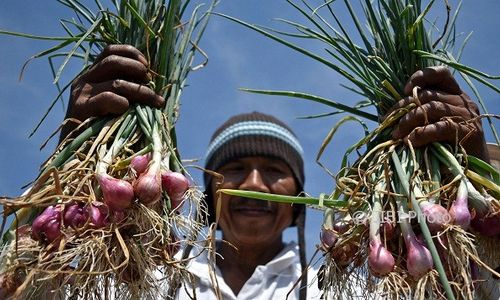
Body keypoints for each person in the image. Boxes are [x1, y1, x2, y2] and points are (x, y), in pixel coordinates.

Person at [1, 44, 493, 299]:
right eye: (234, 168)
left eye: (274, 171)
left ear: (301, 195)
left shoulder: (350, 287)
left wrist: (478, 167)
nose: (254, 184)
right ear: (205, 190)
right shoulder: (143, 282)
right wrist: (67, 171)